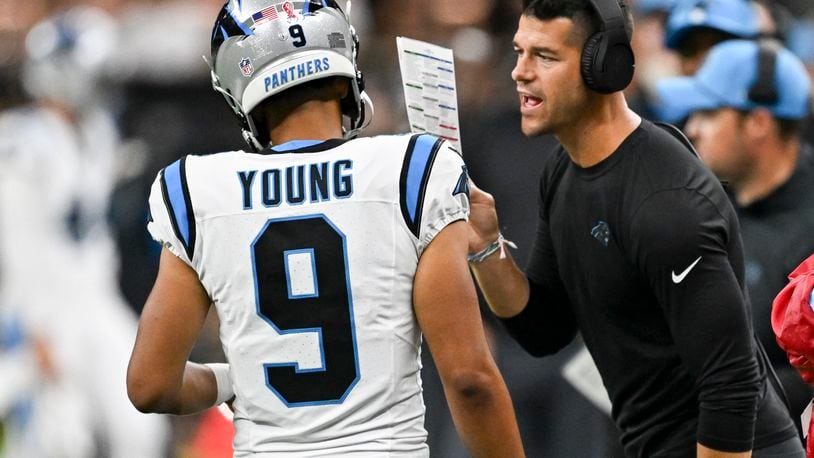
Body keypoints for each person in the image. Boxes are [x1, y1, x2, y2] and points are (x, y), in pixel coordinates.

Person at [126, 1, 525, 457]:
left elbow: (150, 385)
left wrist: (238, 378)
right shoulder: (410, 169)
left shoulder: (197, 189)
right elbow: (470, 378)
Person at [466, 0, 802, 456]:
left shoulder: (664, 201)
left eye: (544, 56)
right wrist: (485, 245)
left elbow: (731, 387)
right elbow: (541, 329)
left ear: (603, 67)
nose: (520, 72)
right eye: (518, 52)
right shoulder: (563, 171)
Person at [0, 6, 170, 457]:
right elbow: (19, 244)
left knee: (140, 424)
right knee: (55, 439)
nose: (106, 84)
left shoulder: (96, 132)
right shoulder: (21, 142)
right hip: (43, 307)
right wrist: (34, 328)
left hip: (95, 298)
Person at [656, 39, 814, 435]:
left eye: (709, 112)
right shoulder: (700, 208)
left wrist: (708, 402)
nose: (692, 128)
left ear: (758, 122)